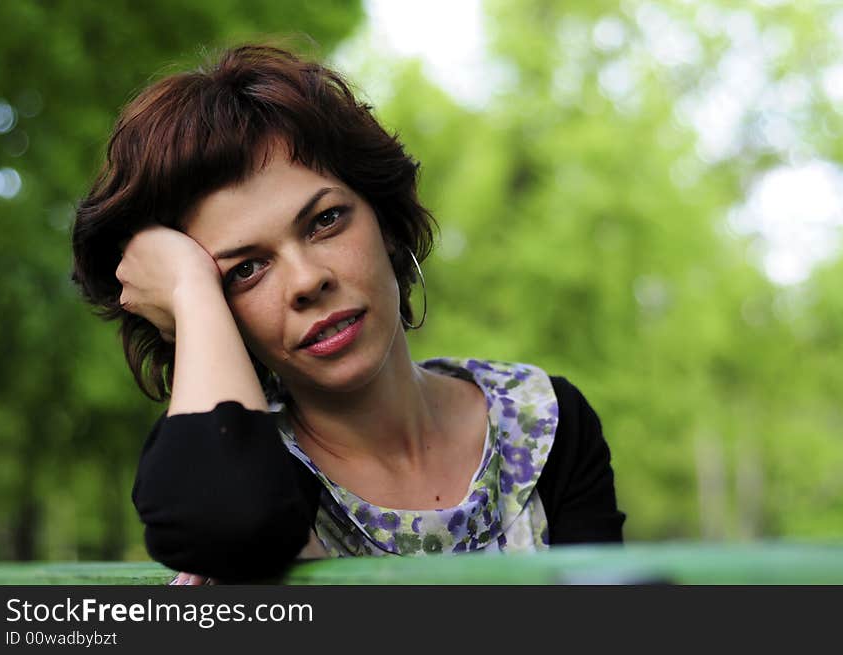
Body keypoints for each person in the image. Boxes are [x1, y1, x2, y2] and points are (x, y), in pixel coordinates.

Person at [71, 44, 625, 584]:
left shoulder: (541, 422)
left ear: (383, 221)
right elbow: (232, 524)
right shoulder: (246, 470)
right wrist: (192, 288)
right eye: (244, 270)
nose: (309, 280)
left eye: (326, 221)